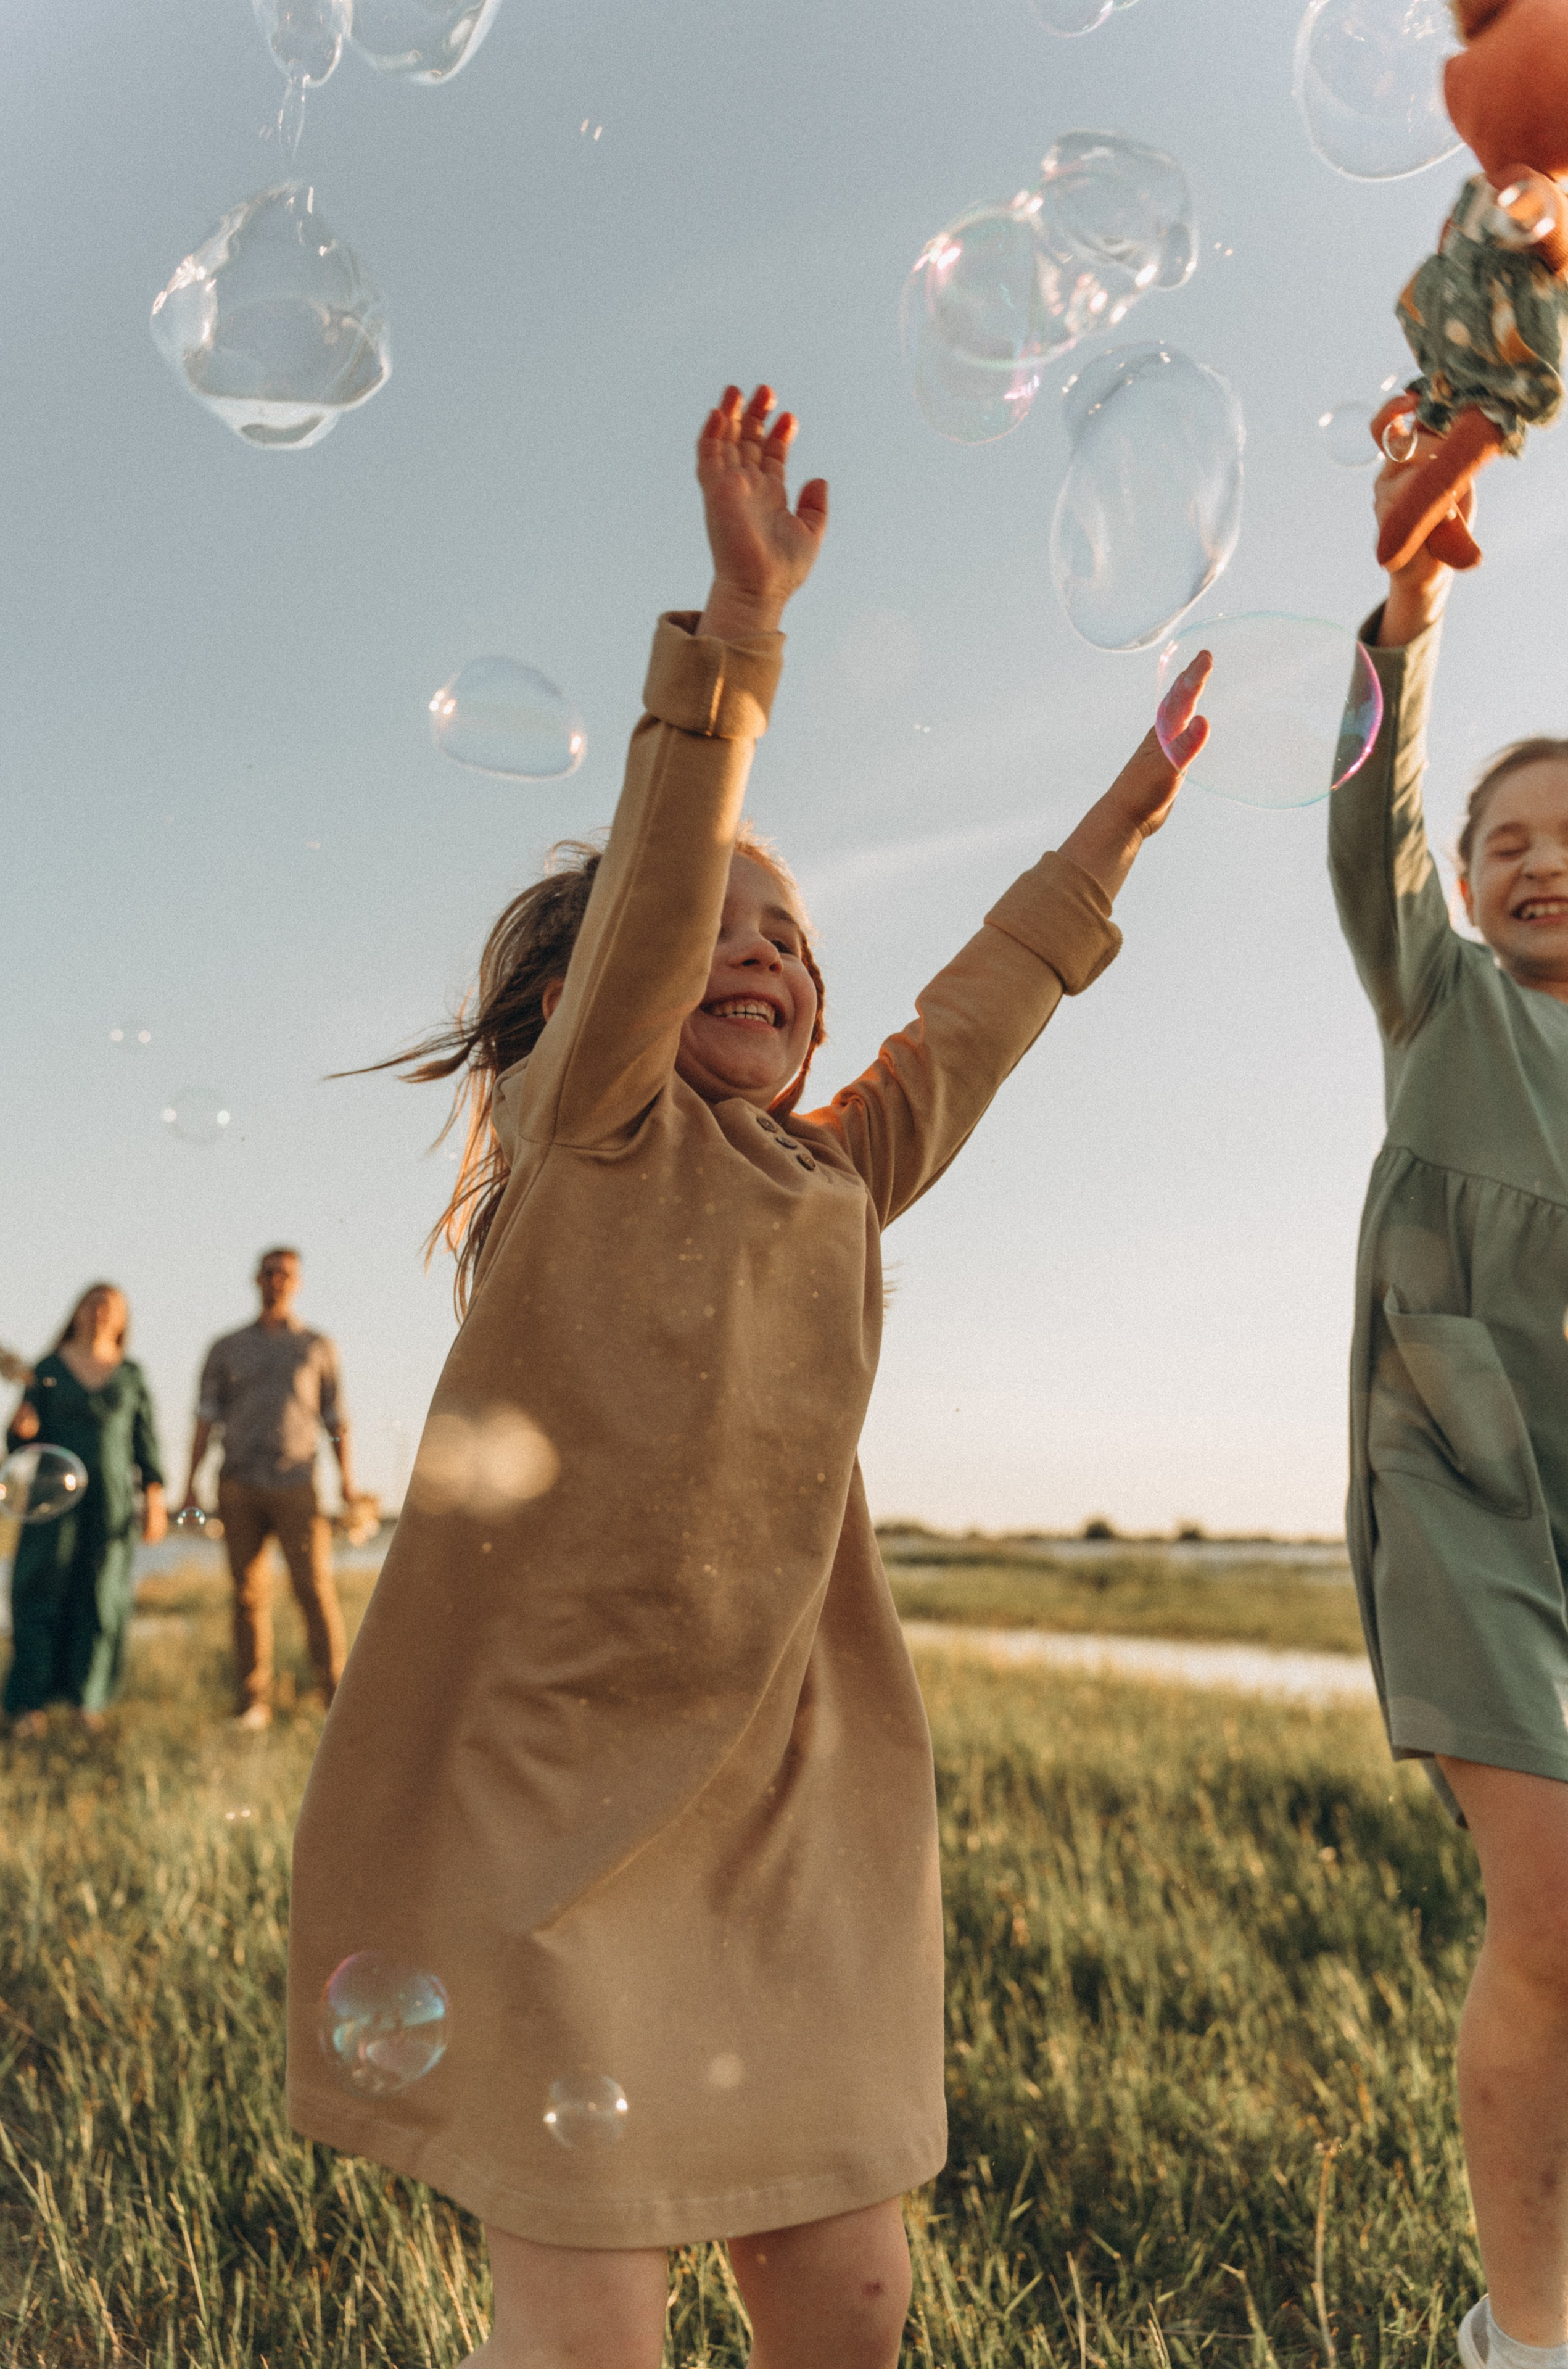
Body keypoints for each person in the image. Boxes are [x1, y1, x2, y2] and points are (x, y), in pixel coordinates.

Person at [284, 382, 1211, 2369]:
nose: (770, 957)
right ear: (579, 1000)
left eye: (793, 943)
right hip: (552, 1798)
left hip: (788, 1793)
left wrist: (1119, 822)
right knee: (594, 2317)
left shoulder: (835, 1176)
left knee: (852, 2295)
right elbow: (654, 889)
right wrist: (740, 633)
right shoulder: (590, 1135)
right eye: (722, 923)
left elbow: (973, 1016)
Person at [1329, 447, 1568, 2369]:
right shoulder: (1445, 1002)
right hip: (1463, 1475)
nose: (1539, 857)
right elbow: (1370, 826)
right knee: (1553, 1902)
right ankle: (1527, 2331)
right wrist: (1409, 609)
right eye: (1507, 838)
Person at [183, 1246, 355, 1732]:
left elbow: (336, 1420)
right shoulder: (226, 1347)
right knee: (246, 1595)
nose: (277, 1280)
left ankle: (336, 1699)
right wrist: (189, 1484)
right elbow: (205, 1418)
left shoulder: (317, 1346)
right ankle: (252, 1702)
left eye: (286, 1274)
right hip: (238, 1484)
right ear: (256, 1280)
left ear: (297, 1283)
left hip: (297, 1483)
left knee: (314, 1590)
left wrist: (347, 1481)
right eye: (269, 1272)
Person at [0, 1283, 167, 1740]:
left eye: (111, 1307)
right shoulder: (47, 1369)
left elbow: (146, 1441)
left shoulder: (131, 1374)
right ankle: (28, 1704)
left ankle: (86, 1702)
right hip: (50, 1499)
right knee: (39, 1588)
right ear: (77, 1311)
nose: (100, 1313)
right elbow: (18, 1441)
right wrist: (20, 1431)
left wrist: (154, 1497)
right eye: (94, 1304)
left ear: (123, 1319)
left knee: (102, 1596)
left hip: (110, 1503)